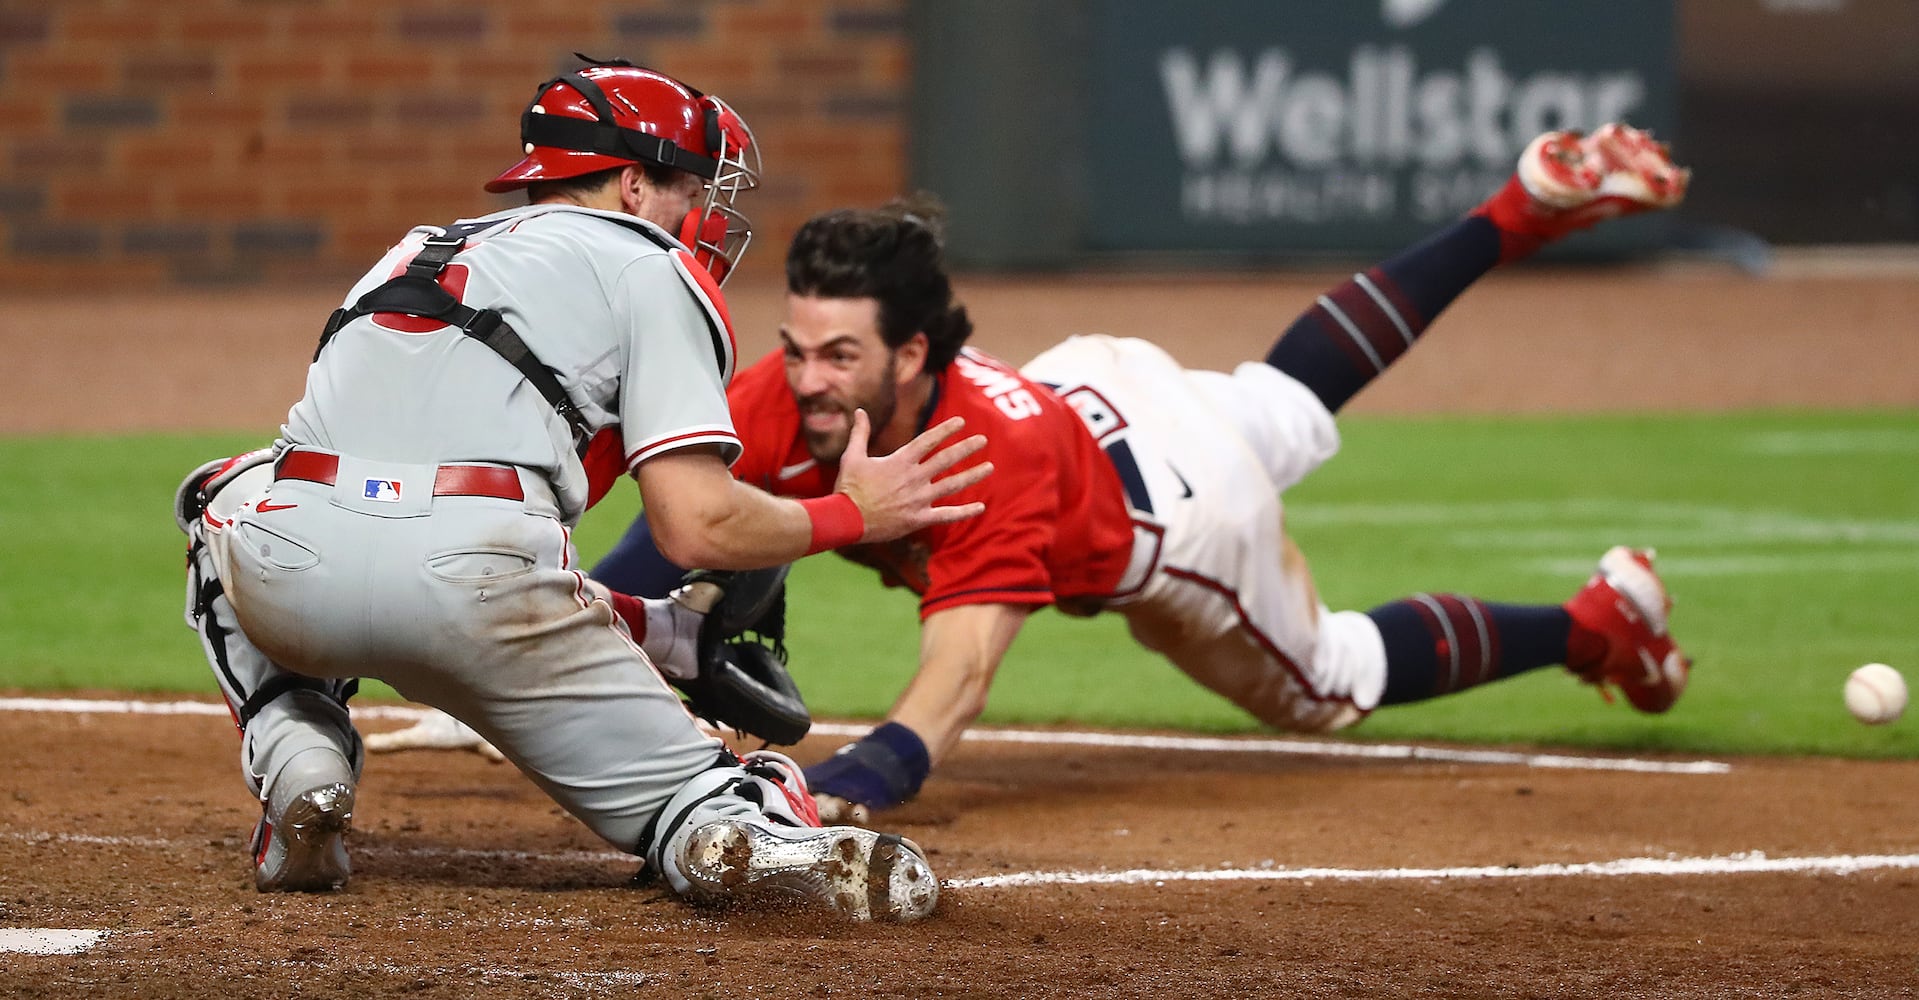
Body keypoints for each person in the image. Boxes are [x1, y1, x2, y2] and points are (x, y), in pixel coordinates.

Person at [379, 124, 1695, 822]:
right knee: (1282, 397)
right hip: (1099, 386)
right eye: (799, 347)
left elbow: (955, 684)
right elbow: (688, 524)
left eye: (841, 355)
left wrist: (848, 782)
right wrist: (565, 648)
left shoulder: (978, 468)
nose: (806, 377)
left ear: (915, 351)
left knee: (1327, 683)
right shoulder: (803, 379)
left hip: (1170, 519)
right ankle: (1512, 209)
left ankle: (1591, 626)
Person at [172, 59, 992, 922]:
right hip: (476, 588)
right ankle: (731, 828)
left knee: (216, 493)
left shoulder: (412, 249)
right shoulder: (651, 268)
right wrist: (852, 512)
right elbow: (695, 526)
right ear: (634, 184)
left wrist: (662, 632)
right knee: (703, 803)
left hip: (287, 565)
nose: (702, 212)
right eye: (689, 186)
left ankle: (299, 752)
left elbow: (378, 502)